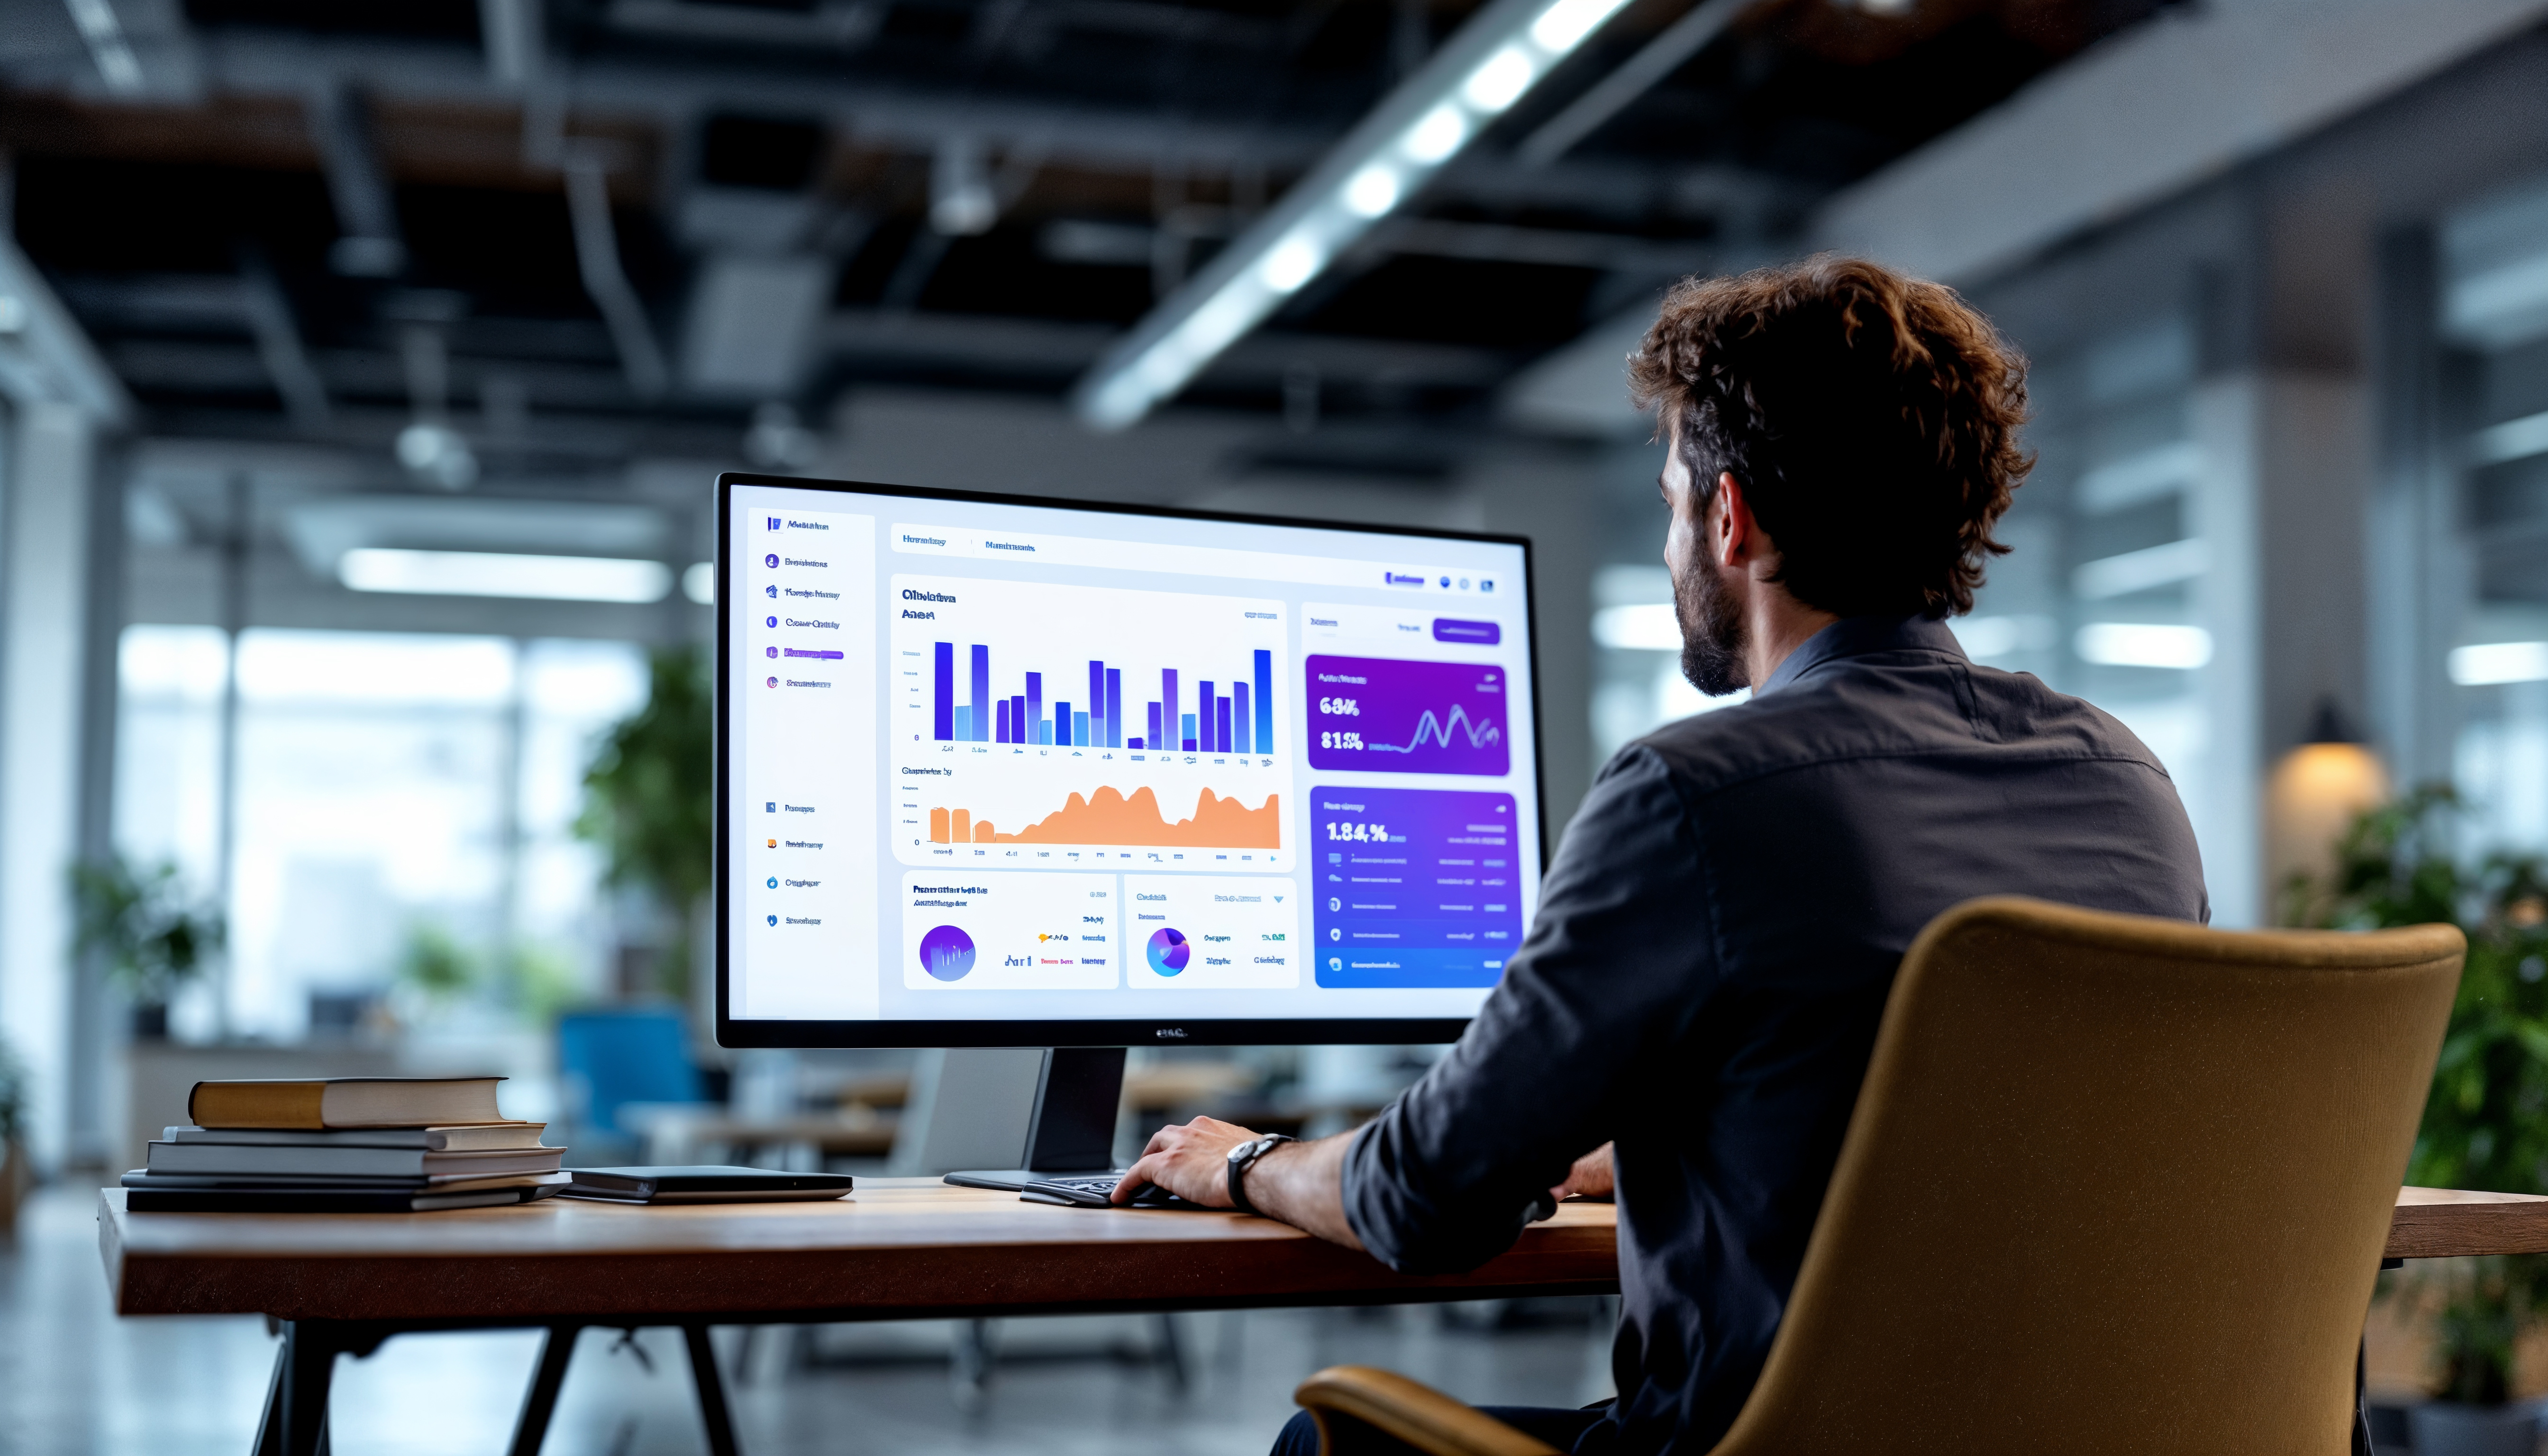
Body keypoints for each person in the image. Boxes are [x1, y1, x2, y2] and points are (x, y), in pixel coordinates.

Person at [1113, 255, 2210, 1456]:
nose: (1675, 533)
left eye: (1674, 495)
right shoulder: (2123, 779)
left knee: (1322, 1446)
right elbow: (1998, 1147)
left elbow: (1425, 1197)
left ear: (1730, 519)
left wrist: (1250, 1162)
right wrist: (1685, 1149)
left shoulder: (1698, 794)